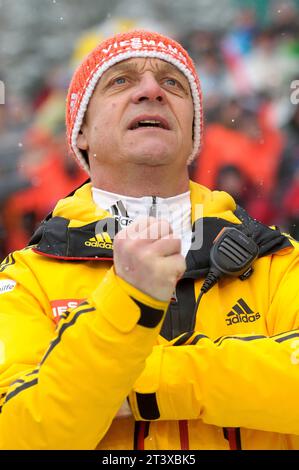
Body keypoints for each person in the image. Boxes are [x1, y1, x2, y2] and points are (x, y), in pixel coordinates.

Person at [0, 30, 299, 451]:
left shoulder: (278, 259)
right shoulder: (27, 279)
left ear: (194, 129)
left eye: (172, 83)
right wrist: (129, 298)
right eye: (120, 81)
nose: (151, 90)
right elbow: (19, 434)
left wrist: (144, 381)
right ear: (81, 131)